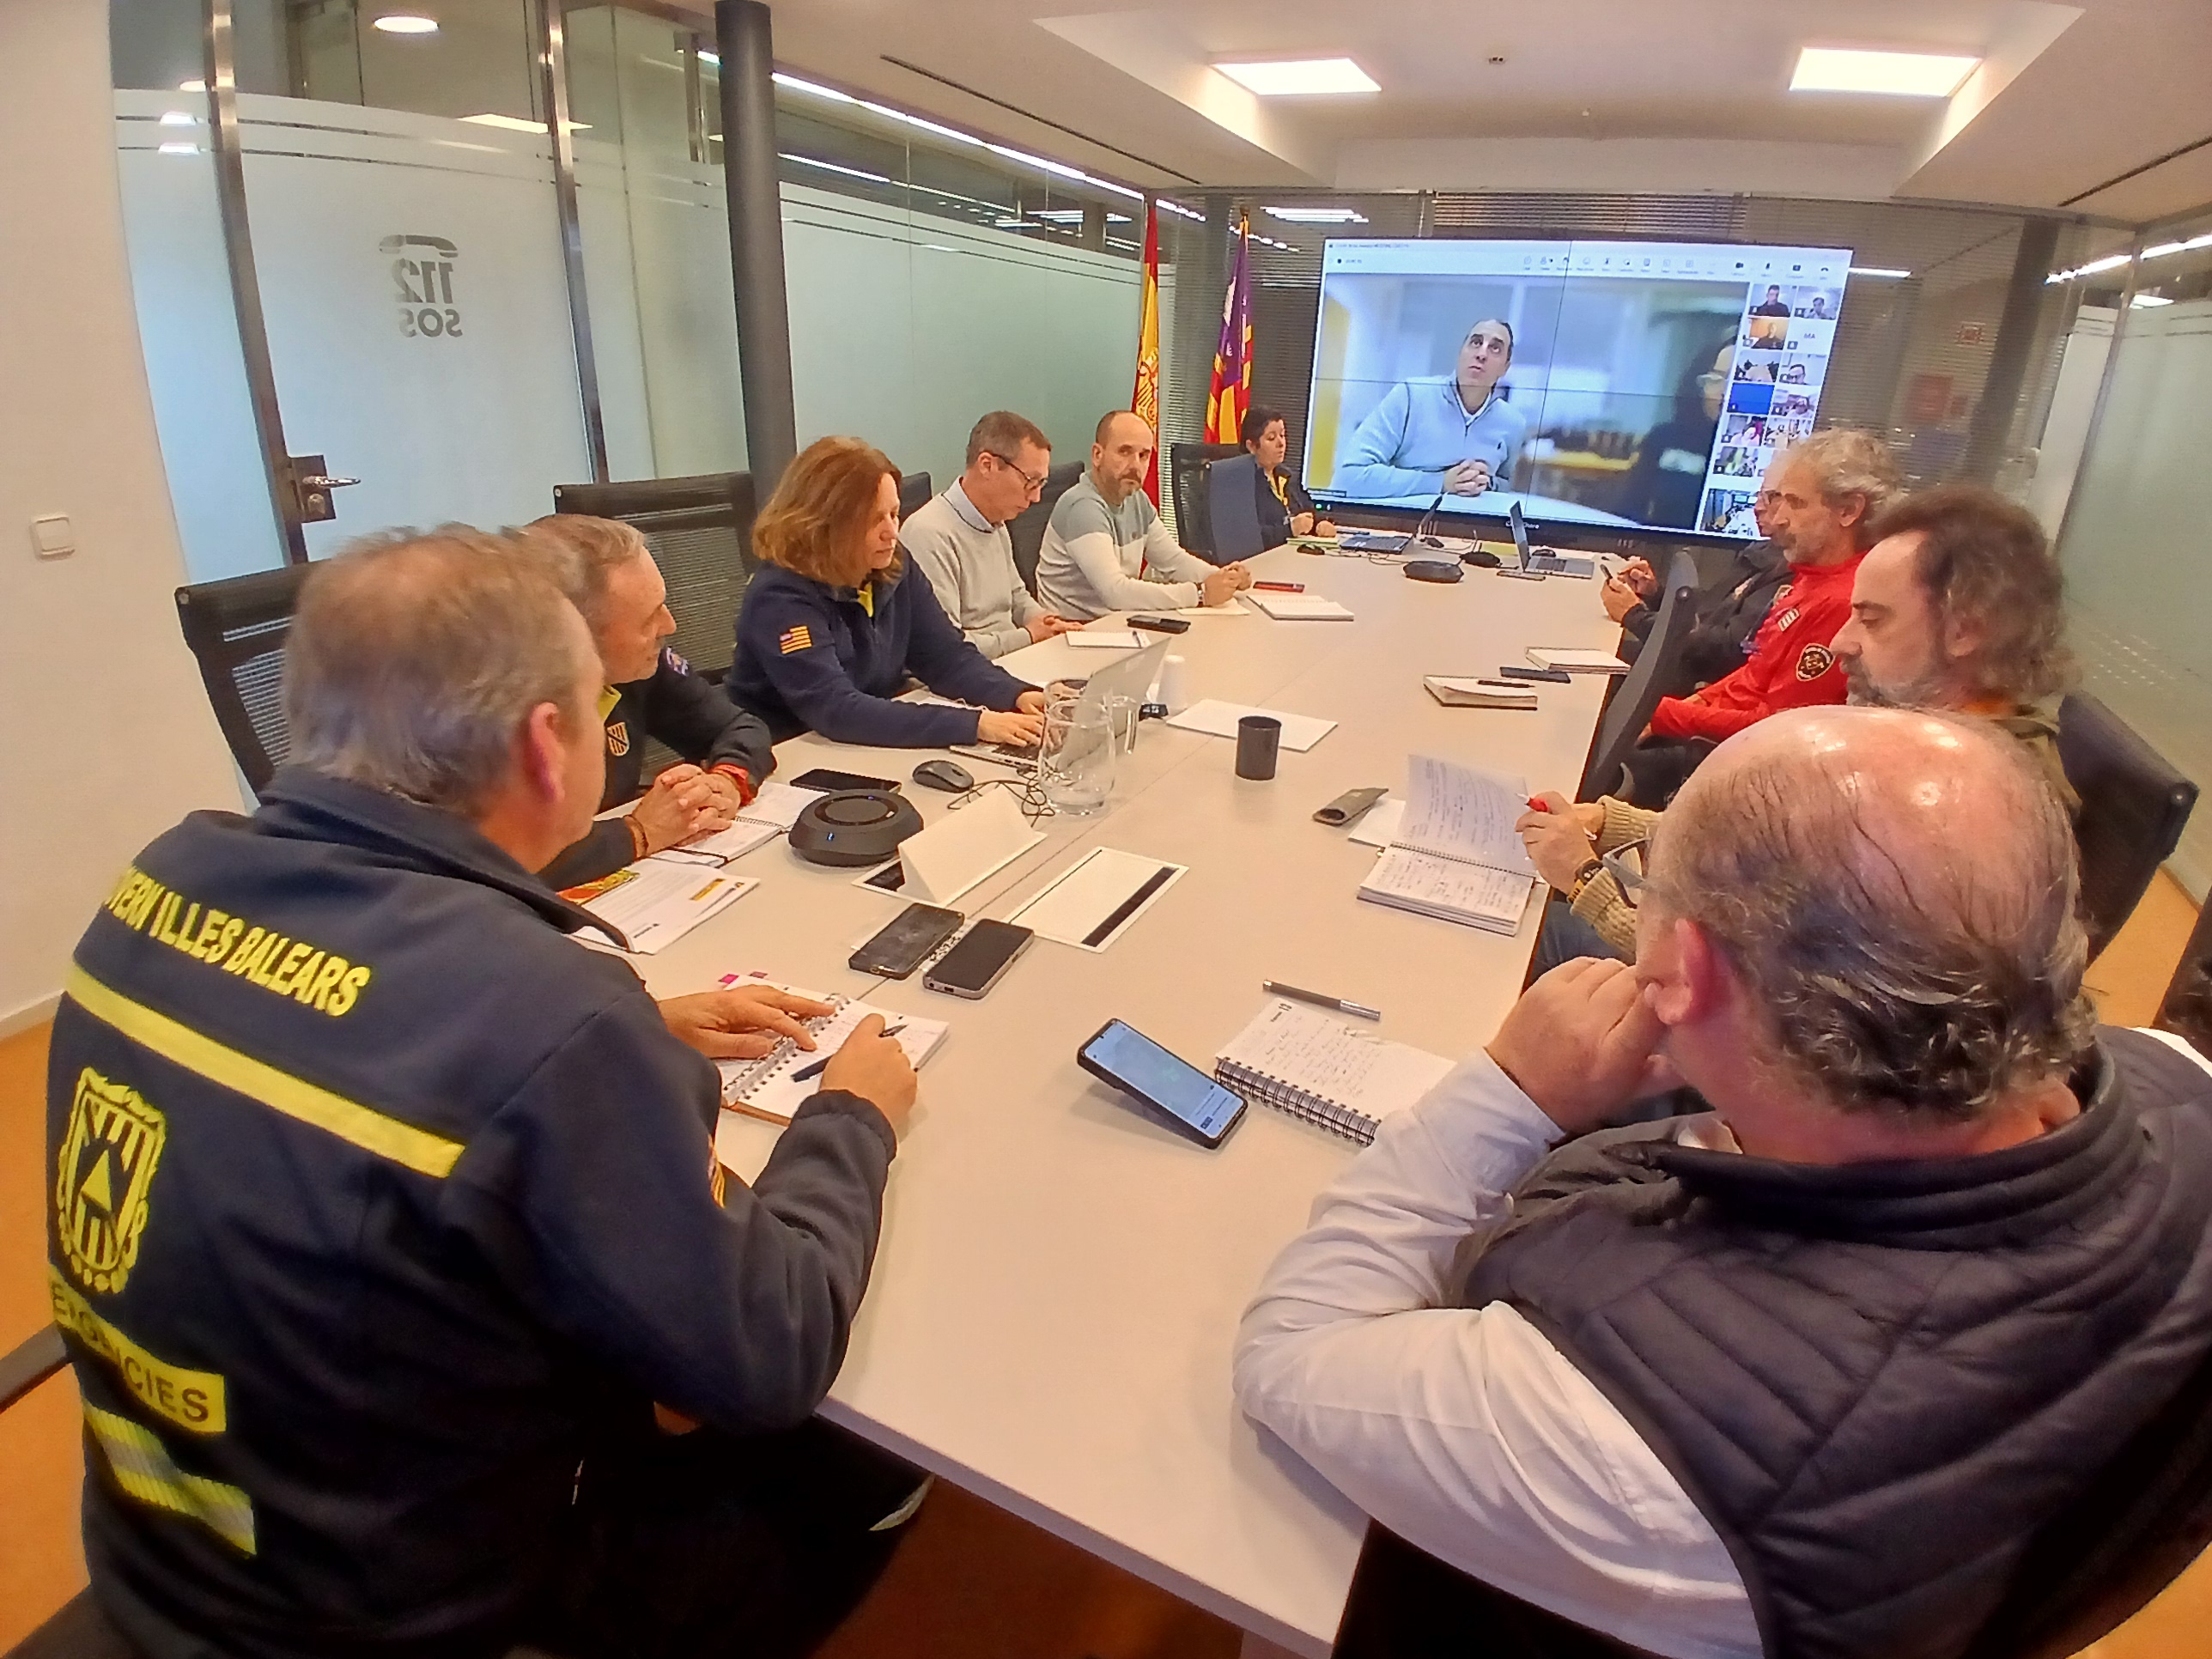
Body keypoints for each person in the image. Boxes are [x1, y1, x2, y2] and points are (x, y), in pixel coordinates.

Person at [48, 528, 927, 1659]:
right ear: (550, 747)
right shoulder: (545, 1014)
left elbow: (338, 1028)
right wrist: (850, 1115)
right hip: (424, 1619)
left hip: (169, 1574)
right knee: (866, 1452)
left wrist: (625, 1038)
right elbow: (771, 1350)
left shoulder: (154, 888)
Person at [1237, 705, 2212, 1659]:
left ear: (1681, 973)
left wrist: (1508, 1093)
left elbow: (1289, 1356)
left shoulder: (1633, 1445)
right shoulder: (2186, 1084)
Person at [1526, 483, 2075, 967]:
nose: (1842, 643)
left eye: (1873, 620)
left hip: (1742, 1051)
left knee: (1531, 931)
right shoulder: (1938, 743)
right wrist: (1610, 821)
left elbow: (1740, 991)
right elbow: (1758, 853)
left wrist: (1581, 879)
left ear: (1966, 631)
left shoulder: (1938, 814)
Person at [1621, 428, 1900, 805]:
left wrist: (1664, 714)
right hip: (1723, 736)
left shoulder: (1842, 600)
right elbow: (1754, 675)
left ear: (1849, 510)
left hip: (1750, 768)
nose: (1779, 518)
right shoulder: (1808, 578)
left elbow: (1778, 727)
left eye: (1796, 504)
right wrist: (1689, 706)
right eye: (1778, 500)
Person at [728, 436, 1048, 749]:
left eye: (894, 514)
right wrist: (974, 724)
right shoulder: (781, 597)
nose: (891, 532)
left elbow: (946, 657)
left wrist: (1016, 695)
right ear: (825, 524)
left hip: (865, 742)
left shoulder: (893, 565)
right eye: (873, 520)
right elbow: (836, 710)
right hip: (787, 754)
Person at [517, 514, 775, 890]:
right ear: (577, 634)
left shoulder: (639, 670)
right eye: (648, 619)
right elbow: (502, 861)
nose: (669, 626)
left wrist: (728, 780)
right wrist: (638, 833)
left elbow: (739, 726)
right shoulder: (501, 710)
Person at [1034, 410, 1253, 621]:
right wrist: (1200, 594)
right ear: (1097, 455)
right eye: (1124, 452)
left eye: (1143, 455)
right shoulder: (1082, 507)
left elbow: (1173, 560)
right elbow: (1115, 592)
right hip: (1072, 632)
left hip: (1114, 624)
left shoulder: (1136, 499)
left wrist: (1222, 578)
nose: (1135, 465)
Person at [899, 410, 1080, 660]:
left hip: (1009, 659)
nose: (1036, 497)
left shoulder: (997, 521)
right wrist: (1028, 636)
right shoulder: (928, 534)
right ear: (988, 465)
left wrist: (1044, 620)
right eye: (1030, 481)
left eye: (1041, 484)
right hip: (961, 676)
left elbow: (1016, 596)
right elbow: (945, 647)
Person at [1604, 464, 1790, 697]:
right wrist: (1655, 594)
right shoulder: (1767, 550)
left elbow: (1725, 649)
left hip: (1691, 681)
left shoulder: (1791, 572)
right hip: (1681, 664)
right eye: (1759, 495)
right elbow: (1712, 610)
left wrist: (1635, 616)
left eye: (1771, 497)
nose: (1757, 507)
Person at [1333, 318, 1528, 501]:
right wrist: (1441, 482)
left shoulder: (1512, 423)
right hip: (1401, 526)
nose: (1482, 354)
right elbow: (1349, 477)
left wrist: (1484, 481)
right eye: (1476, 343)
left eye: (1495, 348)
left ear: (1505, 368)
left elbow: (1505, 486)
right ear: (1461, 353)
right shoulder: (1410, 396)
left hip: (1471, 530)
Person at [1614, 342, 1733, 531]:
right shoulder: (1663, 439)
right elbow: (1628, 510)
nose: (1725, 391)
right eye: (1716, 379)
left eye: (1736, 379)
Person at [1239, 404, 1336, 546]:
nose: (1281, 443)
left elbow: (1310, 510)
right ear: (1252, 446)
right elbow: (1246, 536)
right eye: (1271, 438)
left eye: (1282, 435)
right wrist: (1289, 530)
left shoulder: (1287, 477)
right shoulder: (1242, 484)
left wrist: (1321, 523)